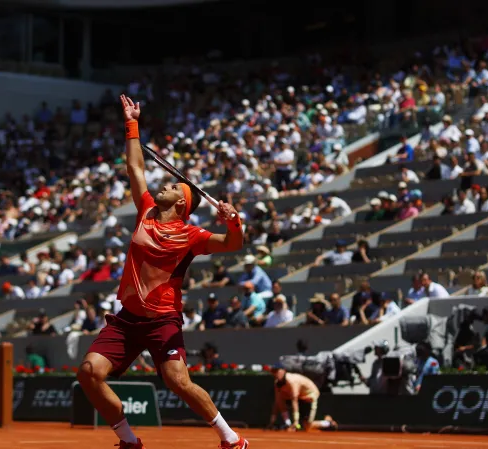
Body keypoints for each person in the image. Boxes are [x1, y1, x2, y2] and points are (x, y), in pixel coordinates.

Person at [77, 95, 248, 449]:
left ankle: (229, 439)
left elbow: (233, 244)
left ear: (183, 202)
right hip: (127, 319)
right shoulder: (147, 210)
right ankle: (128, 440)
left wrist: (234, 222)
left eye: (172, 186)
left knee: (176, 380)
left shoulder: (191, 235)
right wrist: (132, 124)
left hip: (162, 320)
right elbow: (136, 168)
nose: (164, 185)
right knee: (89, 373)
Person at [268, 364, 335, 432]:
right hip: (301, 398)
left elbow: (294, 400)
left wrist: (296, 422)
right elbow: (277, 401)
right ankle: (287, 424)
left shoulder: (292, 381)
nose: (275, 373)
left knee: (307, 426)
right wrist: (272, 421)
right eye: (273, 371)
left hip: (311, 397)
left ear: (283, 371)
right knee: (280, 399)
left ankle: (328, 423)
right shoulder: (277, 383)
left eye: (277, 371)